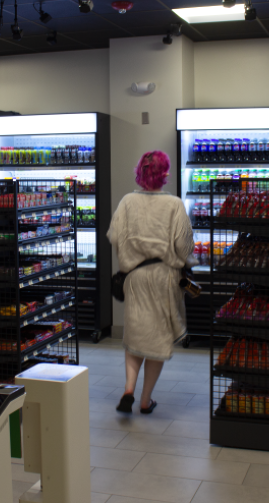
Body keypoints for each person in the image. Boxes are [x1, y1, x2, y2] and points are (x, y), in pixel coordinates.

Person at [106, 151, 195, 415]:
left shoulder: (126, 202)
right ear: (165, 174)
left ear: (140, 172)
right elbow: (183, 245)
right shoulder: (175, 205)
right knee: (156, 339)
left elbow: (115, 237)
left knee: (135, 334)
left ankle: (128, 390)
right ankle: (145, 400)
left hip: (134, 277)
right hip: (163, 278)